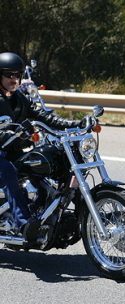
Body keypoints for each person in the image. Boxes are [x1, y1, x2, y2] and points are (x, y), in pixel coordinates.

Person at [0, 52, 81, 243]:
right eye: (8, 74)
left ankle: (55, 215)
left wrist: (74, 124)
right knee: (7, 171)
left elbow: (43, 115)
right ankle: (24, 223)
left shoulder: (19, 97)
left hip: (13, 150)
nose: (14, 79)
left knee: (46, 163)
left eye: (17, 75)